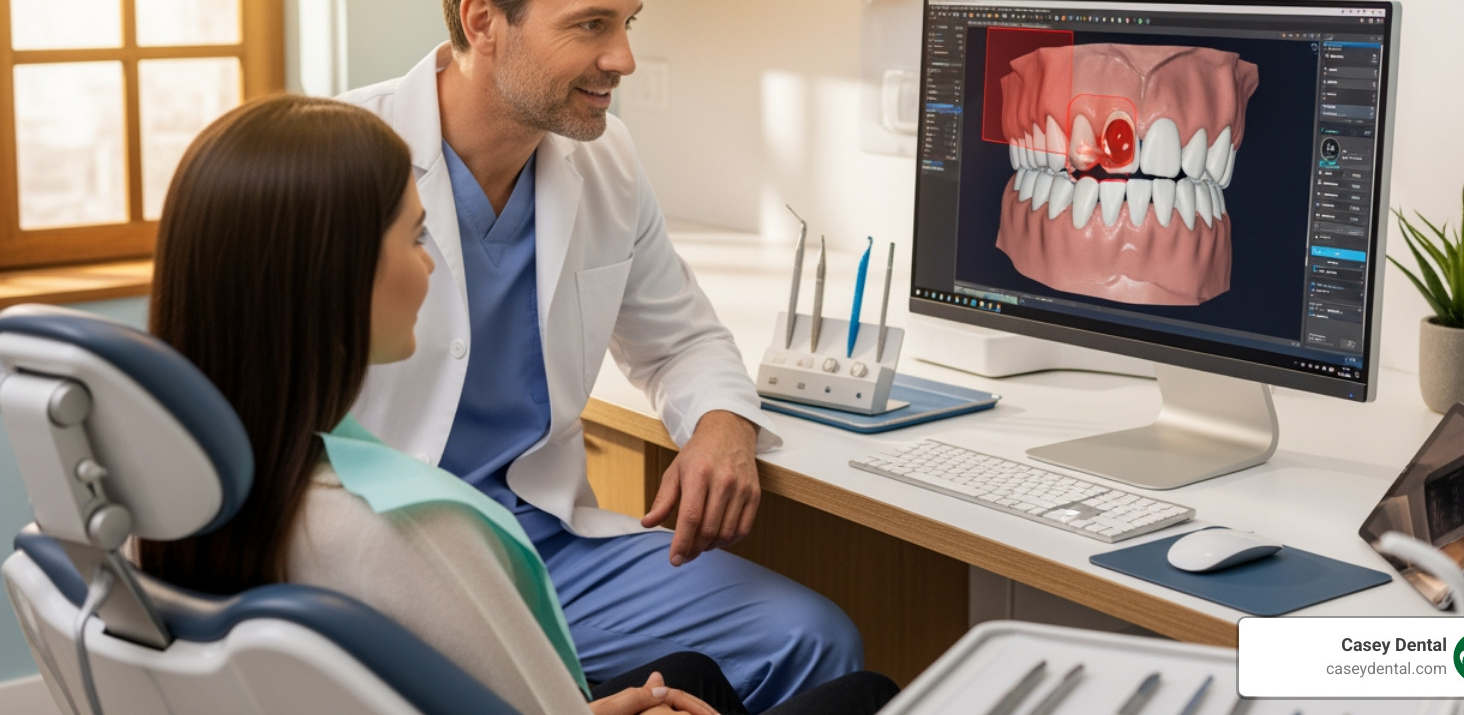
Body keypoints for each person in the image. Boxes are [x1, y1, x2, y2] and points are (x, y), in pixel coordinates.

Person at [135, 94, 898, 715]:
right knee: (869, 695)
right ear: (332, 278)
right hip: (460, 559)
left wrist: (721, 422)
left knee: (692, 672)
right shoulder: (410, 532)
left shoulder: (166, 503)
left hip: (532, 543)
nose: (432, 264)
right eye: (415, 237)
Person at [339, 0, 860, 711]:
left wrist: (721, 426)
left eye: (626, 24)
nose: (622, 58)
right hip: (391, 564)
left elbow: (682, 338)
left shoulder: (604, 157)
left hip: (547, 547)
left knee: (810, 637)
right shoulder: (343, 163)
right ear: (483, 21)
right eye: (591, 25)